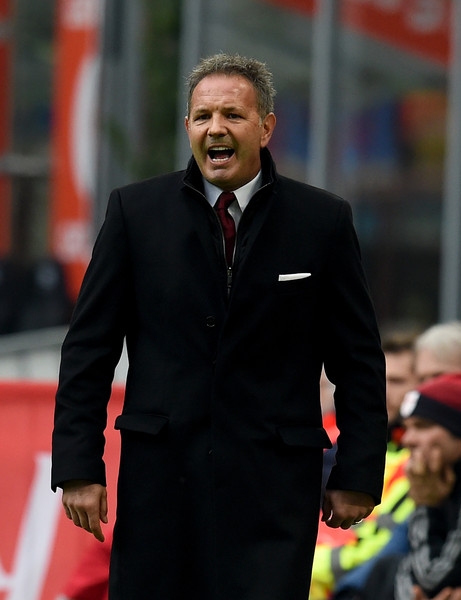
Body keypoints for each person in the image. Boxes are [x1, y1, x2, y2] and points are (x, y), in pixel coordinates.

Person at [51, 53, 387, 600]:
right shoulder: (135, 212)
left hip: (274, 492)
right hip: (161, 486)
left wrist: (357, 472)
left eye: (233, 114)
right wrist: (78, 466)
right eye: (203, 116)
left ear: (266, 127)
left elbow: (359, 360)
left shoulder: (322, 220)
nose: (216, 128)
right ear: (188, 126)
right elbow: (88, 349)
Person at [311, 329, 418, 599]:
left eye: (396, 381)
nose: (383, 390)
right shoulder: (339, 450)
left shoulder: (420, 459)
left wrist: (309, 564)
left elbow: (379, 549)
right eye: (380, 379)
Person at [359, 372, 461, 600]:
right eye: (408, 427)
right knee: (385, 570)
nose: (408, 439)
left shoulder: (430, 482)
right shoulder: (439, 476)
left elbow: (432, 578)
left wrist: (426, 504)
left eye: (422, 426)